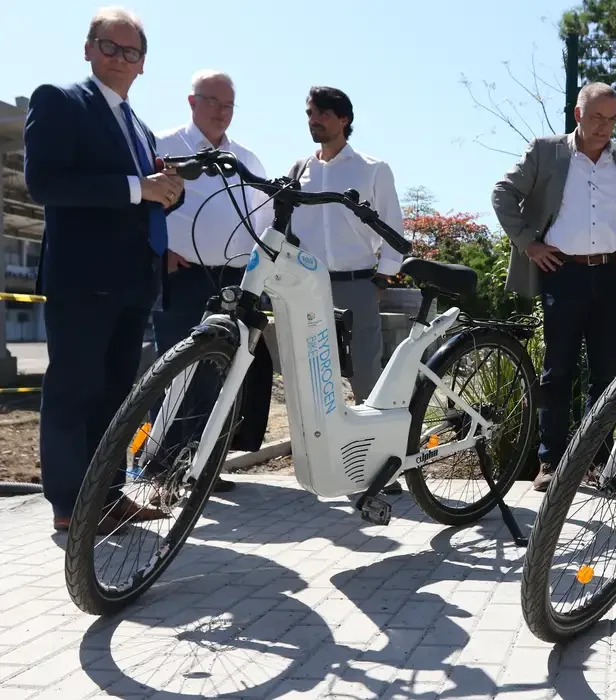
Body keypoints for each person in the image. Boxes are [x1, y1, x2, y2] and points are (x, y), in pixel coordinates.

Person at [24, 6, 181, 531]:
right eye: (109, 47)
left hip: (134, 280)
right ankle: (69, 507)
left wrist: (167, 191)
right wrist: (140, 187)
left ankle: (109, 497)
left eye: (130, 51)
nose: (119, 58)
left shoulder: (139, 126)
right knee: (74, 388)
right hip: (83, 279)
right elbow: (46, 184)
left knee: (116, 393)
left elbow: (144, 197)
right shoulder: (61, 101)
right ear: (88, 49)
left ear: (143, 64)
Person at [492, 81, 616, 492]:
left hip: (614, 276)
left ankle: (595, 465)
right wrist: (529, 244)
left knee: (608, 375)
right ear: (578, 114)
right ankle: (551, 462)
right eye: (596, 118)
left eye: (611, 120)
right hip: (562, 272)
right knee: (558, 371)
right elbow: (503, 192)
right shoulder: (546, 151)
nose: (604, 128)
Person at [153, 69, 276, 493]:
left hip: (233, 281)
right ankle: (161, 462)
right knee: (173, 368)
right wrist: (157, 251)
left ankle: (201, 464)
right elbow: (145, 205)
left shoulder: (247, 158)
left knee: (219, 373)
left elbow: (265, 217)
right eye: (212, 102)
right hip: (183, 274)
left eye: (228, 105)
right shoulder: (164, 146)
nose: (221, 112)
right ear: (192, 102)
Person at [288, 86, 406, 494]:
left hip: (357, 285)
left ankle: (380, 470)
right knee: (310, 378)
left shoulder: (373, 169)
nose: (313, 120)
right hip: (307, 288)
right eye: (310, 113)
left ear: (344, 120)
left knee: (366, 376)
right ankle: (320, 468)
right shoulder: (299, 170)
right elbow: (283, 226)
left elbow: (393, 225)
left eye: (322, 113)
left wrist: (382, 278)